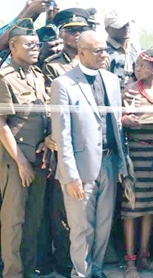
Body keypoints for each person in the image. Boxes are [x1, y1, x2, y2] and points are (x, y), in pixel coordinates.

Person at [51, 30, 129, 278]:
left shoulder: (111, 80)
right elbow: (61, 134)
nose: (104, 54)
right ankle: (81, 273)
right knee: (82, 227)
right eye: (98, 50)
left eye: (105, 49)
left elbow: (116, 124)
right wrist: (70, 175)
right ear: (81, 52)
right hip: (80, 167)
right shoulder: (63, 84)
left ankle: (96, 269)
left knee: (104, 224)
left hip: (109, 162)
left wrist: (121, 166)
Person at [0, 18, 50, 278]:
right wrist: (22, 162)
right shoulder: (3, 78)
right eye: (30, 44)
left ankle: (29, 268)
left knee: (34, 219)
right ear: (13, 46)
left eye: (37, 44)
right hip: (15, 160)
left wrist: (47, 140)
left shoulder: (37, 75)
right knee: (14, 220)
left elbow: (44, 115)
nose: (36, 48)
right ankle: (13, 272)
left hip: (38, 156)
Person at [41, 7, 92, 276]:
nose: (77, 34)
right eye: (71, 30)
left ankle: (86, 261)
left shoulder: (95, 62)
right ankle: (64, 261)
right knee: (63, 208)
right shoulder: (53, 65)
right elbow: (52, 107)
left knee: (90, 207)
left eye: (81, 29)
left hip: (92, 144)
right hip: (63, 144)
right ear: (62, 33)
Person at [120, 49, 153, 278]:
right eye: (136, 65)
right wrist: (128, 120)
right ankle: (130, 262)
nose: (138, 70)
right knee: (132, 208)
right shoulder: (128, 90)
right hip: (135, 154)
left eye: (143, 66)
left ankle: (145, 256)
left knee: (150, 208)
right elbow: (119, 117)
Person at [103, 9, 139, 90]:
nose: (126, 28)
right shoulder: (103, 52)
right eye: (121, 26)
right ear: (107, 29)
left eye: (127, 25)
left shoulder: (135, 51)